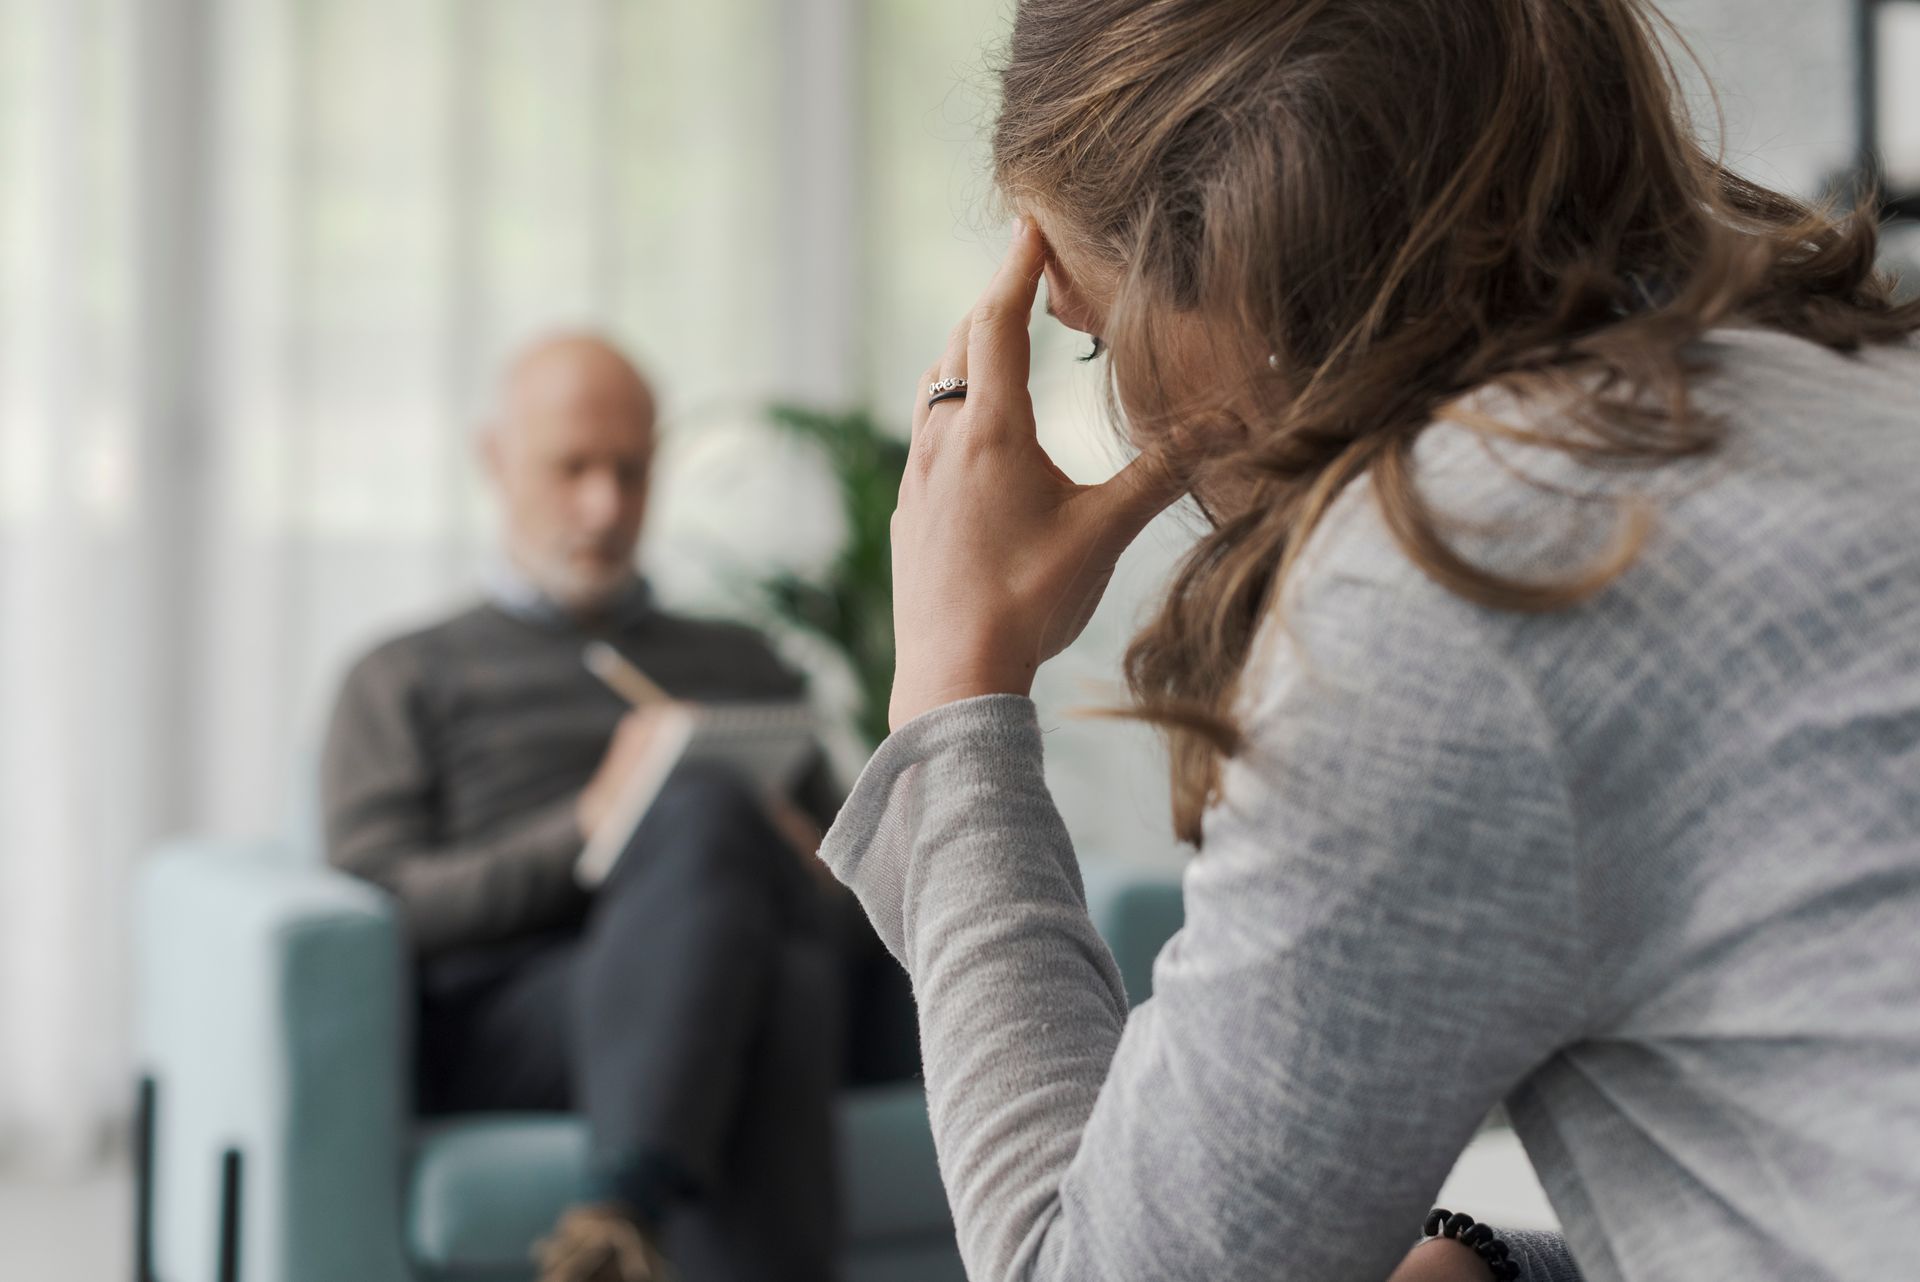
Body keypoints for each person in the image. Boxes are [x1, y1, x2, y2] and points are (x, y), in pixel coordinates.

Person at [819, 1, 1920, 1281]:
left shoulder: (1465, 571)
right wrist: (1502, 1268)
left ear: (1223, 260)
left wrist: (953, 690)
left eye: (1100, 339)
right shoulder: (1855, 388)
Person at [322, 334, 913, 1282]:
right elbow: (388, 903)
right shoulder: (403, 676)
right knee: (724, 864)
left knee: (773, 961)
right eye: (572, 469)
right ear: (495, 459)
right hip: (527, 1007)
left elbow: (867, 904)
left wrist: (804, 860)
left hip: (748, 964)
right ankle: (623, 1206)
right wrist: (595, 824)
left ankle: (620, 1212)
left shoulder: (742, 661)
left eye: (630, 473)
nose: (605, 506)